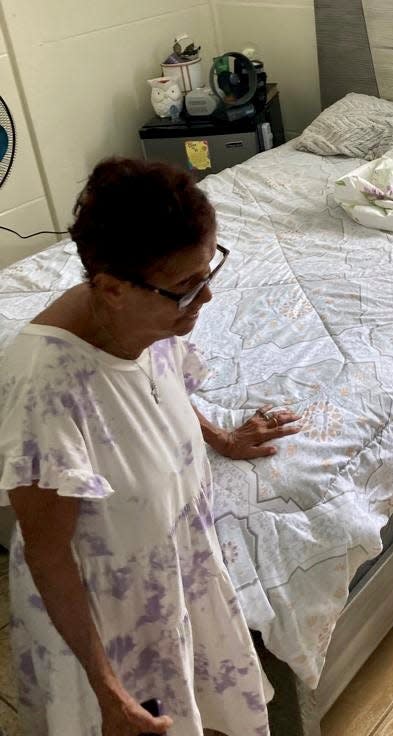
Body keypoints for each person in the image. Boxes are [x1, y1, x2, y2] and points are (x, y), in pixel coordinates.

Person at [0, 158, 302, 736]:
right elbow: (47, 554)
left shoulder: (149, 320)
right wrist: (109, 692)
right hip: (107, 622)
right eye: (188, 287)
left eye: (210, 269)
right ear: (111, 289)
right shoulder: (45, 390)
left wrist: (222, 437)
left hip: (175, 575)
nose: (206, 297)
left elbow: (159, 391)